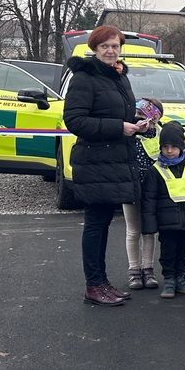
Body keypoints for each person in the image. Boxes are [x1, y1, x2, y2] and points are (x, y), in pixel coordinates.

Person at [63, 25, 148, 307]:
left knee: (102, 223)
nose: (111, 51)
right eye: (105, 47)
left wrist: (138, 124)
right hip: (94, 162)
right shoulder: (84, 77)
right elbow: (75, 121)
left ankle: (102, 282)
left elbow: (120, 113)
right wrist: (118, 127)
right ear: (95, 49)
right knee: (95, 224)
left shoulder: (119, 76)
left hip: (114, 161)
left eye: (115, 46)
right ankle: (94, 285)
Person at [141, 121, 185, 299]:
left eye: (173, 147)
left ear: (181, 146)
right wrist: (149, 225)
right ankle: (169, 280)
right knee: (168, 252)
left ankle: (181, 278)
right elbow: (149, 200)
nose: (169, 151)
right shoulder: (155, 171)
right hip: (166, 224)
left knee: (183, 252)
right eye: (165, 147)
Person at [123, 96, 164, 289]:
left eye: (142, 114)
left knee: (149, 230)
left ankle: (148, 269)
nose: (137, 118)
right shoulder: (127, 133)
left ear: (154, 118)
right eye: (136, 113)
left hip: (151, 189)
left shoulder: (160, 134)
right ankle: (134, 270)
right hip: (130, 187)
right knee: (133, 231)